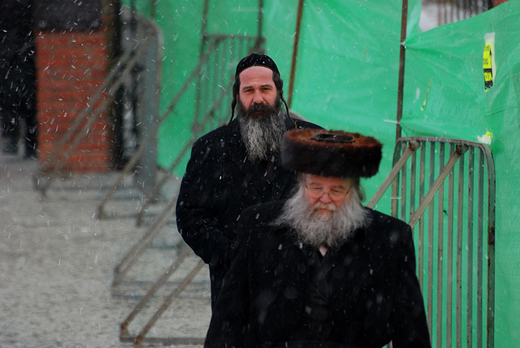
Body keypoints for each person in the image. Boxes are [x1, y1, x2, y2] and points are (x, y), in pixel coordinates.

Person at [205, 128, 431, 348]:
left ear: (354, 191)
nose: (324, 198)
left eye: (336, 190)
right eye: (315, 188)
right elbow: (229, 317)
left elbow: (410, 327)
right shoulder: (258, 226)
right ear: (301, 185)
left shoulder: (388, 238)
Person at [176, 53, 321, 307]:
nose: (258, 99)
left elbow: (335, 202)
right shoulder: (211, 148)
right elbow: (191, 216)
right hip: (236, 291)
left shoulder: (313, 141)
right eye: (249, 90)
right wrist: (231, 256)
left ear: (279, 92)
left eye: (265, 89)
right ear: (237, 96)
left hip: (304, 287)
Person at [0, 0, 38, 159]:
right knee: (17, 101)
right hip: (17, 54)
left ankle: (21, 140)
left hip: (18, 54)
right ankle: (25, 141)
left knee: (19, 101)